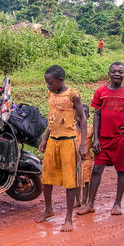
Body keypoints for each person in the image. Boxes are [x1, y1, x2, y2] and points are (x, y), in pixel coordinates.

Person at [77, 62, 124, 216]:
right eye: (114, 71)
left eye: (120, 71)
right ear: (109, 74)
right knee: (97, 170)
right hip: (103, 140)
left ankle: (117, 204)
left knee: (121, 171)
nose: (117, 74)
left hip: (121, 139)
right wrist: (96, 139)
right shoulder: (101, 92)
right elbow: (97, 114)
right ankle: (90, 204)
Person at [37, 65, 88, 232]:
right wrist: (45, 139)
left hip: (69, 141)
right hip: (53, 140)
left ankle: (68, 218)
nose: (48, 86)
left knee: (70, 181)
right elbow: (52, 119)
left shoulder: (73, 95)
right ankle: (48, 209)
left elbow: (83, 119)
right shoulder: (52, 94)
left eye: (50, 83)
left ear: (60, 80)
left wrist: (82, 145)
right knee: (47, 177)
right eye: (47, 83)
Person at [75, 104, 93, 207]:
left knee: (86, 181)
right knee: (76, 181)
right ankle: (77, 200)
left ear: (88, 116)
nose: (81, 116)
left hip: (86, 159)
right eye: (78, 114)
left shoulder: (90, 129)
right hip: (74, 159)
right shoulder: (72, 128)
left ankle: (84, 201)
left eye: (84, 114)